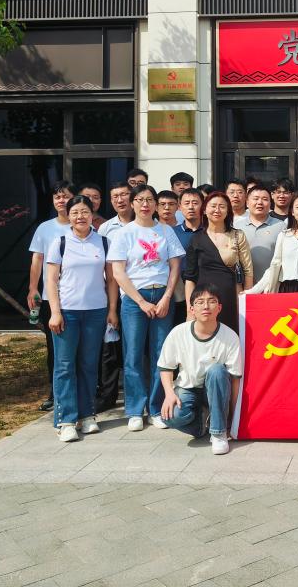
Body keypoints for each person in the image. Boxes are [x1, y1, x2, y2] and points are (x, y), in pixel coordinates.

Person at [107, 184, 186, 432]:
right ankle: (134, 410)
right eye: (140, 199)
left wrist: (167, 298)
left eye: (150, 199)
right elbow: (118, 272)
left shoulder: (166, 231)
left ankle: (156, 409)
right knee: (133, 355)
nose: (145, 204)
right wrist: (141, 302)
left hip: (162, 295)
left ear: (155, 204)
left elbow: (175, 267)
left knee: (161, 354)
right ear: (132, 203)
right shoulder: (124, 233)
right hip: (134, 299)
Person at [45, 195, 118, 442]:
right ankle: (65, 420)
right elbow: (51, 280)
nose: (80, 217)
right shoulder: (60, 242)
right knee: (65, 366)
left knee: (89, 365)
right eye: (75, 212)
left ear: (92, 214)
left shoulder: (103, 242)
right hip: (67, 312)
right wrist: (55, 312)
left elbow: (111, 280)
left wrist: (112, 310)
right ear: (68, 216)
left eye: (84, 212)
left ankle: (87, 415)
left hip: (96, 312)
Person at [158, 284, 242, 455]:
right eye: (200, 302)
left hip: (216, 390)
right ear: (191, 309)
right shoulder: (178, 333)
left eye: (211, 301)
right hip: (188, 388)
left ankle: (218, 433)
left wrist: (233, 420)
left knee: (217, 371)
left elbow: (235, 381)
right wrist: (169, 393)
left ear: (219, 308)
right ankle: (201, 425)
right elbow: (166, 368)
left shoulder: (230, 337)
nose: (206, 306)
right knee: (170, 416)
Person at [27, 180, 77, 412]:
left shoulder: (83, 226)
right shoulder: (45, 228)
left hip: (79, 297)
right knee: (54, 347)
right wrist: (33, 288)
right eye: (57, 197)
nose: (61, 200)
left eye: (65, 196)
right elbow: (37, 260)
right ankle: (55, 392)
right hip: (50, 297)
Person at [184, 191, 254, 332]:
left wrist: (246, 302)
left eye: (222, 206)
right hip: (204, 300)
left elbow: (248, 271)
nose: (217, 210)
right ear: (204, 210)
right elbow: (190, 278)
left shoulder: (237, 235)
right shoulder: (196, 238)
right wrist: (190, 309)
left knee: (232, 335)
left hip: (231, 296)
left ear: (228, 211)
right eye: (213, 206)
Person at [96, 181, 134, 411]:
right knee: (110, 347)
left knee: (135, 348)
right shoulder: (105, 229)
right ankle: (108, 396)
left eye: (124, 195)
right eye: (115, 196)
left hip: (138, 294)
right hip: (112, 293)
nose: (120, 200)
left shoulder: (148, 224)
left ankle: (135, 396)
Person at [234, 183, 285, 286]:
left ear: (270, 203)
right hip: (242, 286)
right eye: (255, 199)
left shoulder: (281, 226)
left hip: (272, 286)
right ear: (247, 203)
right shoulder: (236, 226)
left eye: (265, 199)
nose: (260, 202)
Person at [156, 190, 187, 325]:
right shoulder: (150, 229)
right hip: (156, 287)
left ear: (178, 206)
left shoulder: (184, 229)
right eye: (162, 204)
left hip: (180, 289)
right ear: (155, 206)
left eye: (171, 204)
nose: (167, 208)